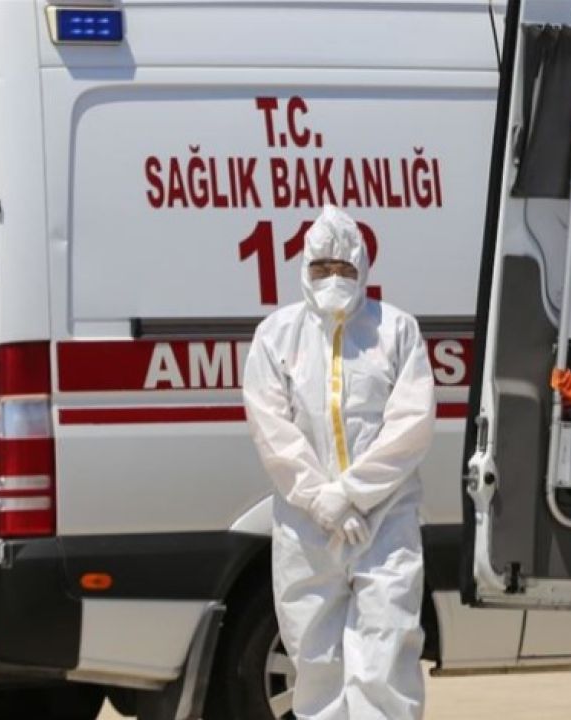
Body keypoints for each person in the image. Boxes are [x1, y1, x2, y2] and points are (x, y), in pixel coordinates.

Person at [242, 205, 435, 720]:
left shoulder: (395, 331)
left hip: (385, 520)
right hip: (306, 525)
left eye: (344, 267)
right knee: (314, 656)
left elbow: (411, 424)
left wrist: (351, 494)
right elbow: (271, 427)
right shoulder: (276, 336)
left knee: (385, 653)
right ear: (303, 268)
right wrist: (319, 500)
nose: (333, 278)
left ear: (363, 268)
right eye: (321, 267)